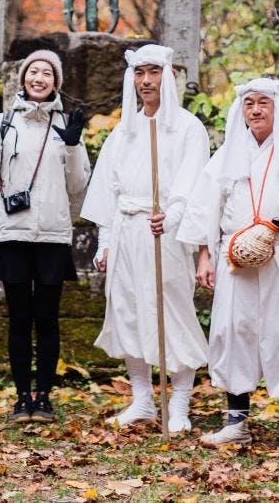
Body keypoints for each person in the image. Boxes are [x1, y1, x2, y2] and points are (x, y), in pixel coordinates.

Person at [178, 78, 279, 450]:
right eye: (249, 103)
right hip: (236, 256)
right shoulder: (227, 154)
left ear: (276, 107)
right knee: (235, 330)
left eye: (263, 102)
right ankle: (236, 422)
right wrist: (205, 255)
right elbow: (204, 206)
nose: (256, 110)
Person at [81, 45, 210, 433]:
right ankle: (142, 400)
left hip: (165, 231)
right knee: (127, 312)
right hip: (127, 231)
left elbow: (193, 183)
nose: (146, 81)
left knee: (173, 312)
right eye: (139, 73)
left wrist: (171, 217)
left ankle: (180, 403)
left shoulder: (188, 128)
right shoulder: (125, 131)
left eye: (153, 72)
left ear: (167, 76)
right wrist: (105, 240)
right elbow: (108, 190)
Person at [0, 50, 91, 424]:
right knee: (19, 319)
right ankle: (22, 398)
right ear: (23, 79)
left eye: (47, 73)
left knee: (47, 319)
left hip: (53, 235)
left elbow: (78, 185)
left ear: (56, 82)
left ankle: (44, 397)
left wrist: (72, 145)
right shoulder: (4, 122)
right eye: (33, 71)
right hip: (13, 234)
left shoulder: (66, 124)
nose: (39, 78)